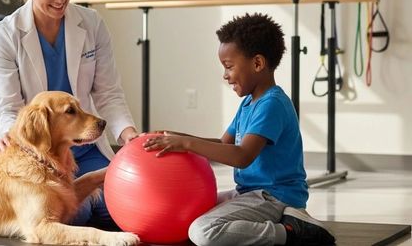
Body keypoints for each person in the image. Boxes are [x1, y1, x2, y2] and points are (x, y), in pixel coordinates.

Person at [143, 13, 336, 246]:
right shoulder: (249, 102)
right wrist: (176, 136)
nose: (225, 75)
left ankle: (291, 232)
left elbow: (242, 156)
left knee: (202, 231)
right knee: (188, 212)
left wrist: (185, 144)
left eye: (228, 66)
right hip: (249, 193)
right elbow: (224, 144)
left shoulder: (272, 103)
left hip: (275, 198)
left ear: (257, 63)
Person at [0, 0, 138, 230]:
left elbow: (108, 92)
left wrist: (128, 134)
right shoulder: (5, 35)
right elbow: (8, 108)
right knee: (65, 215)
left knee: (128, 204)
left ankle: (88, 200)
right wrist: (11, 136)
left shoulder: (92, 24)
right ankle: (84, 202)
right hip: (41, 151)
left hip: (87, 147)